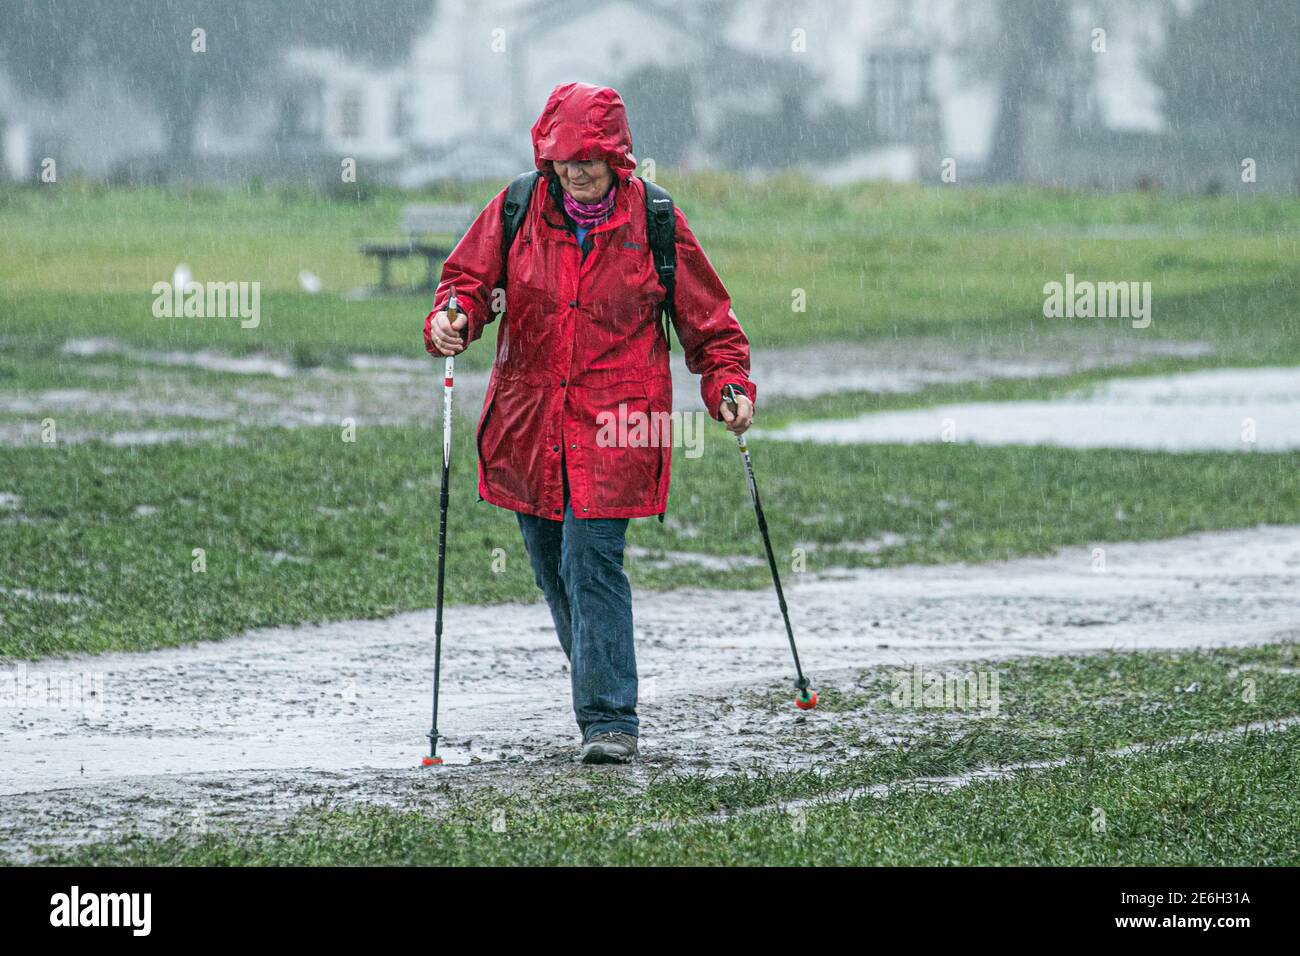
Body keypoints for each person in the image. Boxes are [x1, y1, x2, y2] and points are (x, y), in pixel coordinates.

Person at [423, 82, 756, 764]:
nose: (576, 171)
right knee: (554, 567)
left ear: (617, 158)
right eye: (562, 157)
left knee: (590, 558)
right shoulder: (518, 207)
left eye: (589, 158)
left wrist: (728, 384)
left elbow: (710, 323)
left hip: (620, 424)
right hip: (531, 422)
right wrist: (452, 319)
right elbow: (463, 282)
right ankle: (599, 679)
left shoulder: (656, 220)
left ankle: (609, 720)